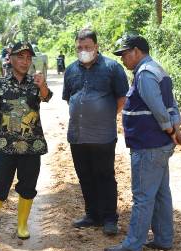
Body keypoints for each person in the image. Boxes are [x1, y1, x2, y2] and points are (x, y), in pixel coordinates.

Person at [105, 35, 181, 251]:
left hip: (148, 145)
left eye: (125, 54)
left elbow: (159, 109)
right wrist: (176, 132)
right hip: (159, 144)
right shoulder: (157, 69)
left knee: (142, 196)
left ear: (136, 51)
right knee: (161, 193)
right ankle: (163, 239)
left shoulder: (144, 74)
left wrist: (172, 131)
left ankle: (133, 244)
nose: (123, 59)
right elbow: (172, 105)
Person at [0, 42, 52, 245]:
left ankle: (22, 225)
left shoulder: (35, 82)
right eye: (20, 57)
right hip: (5, 145)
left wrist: (42, 85)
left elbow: (47, 98)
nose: (25, 62)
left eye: (28, 58)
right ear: (10, 59)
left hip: (32, 145)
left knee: (28, 185)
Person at [62, 28, 129, 235]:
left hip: (103, 135)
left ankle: (109, 218)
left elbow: (122, 99)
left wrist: (103, 115)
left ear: (96, 47)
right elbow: (69, 98)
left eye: (87, 47)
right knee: (85, 176)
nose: (83, 51)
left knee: (105, 176)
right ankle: (92, 215)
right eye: (79, 48)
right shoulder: (71, 70)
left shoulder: (112, 68)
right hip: (78, 135)